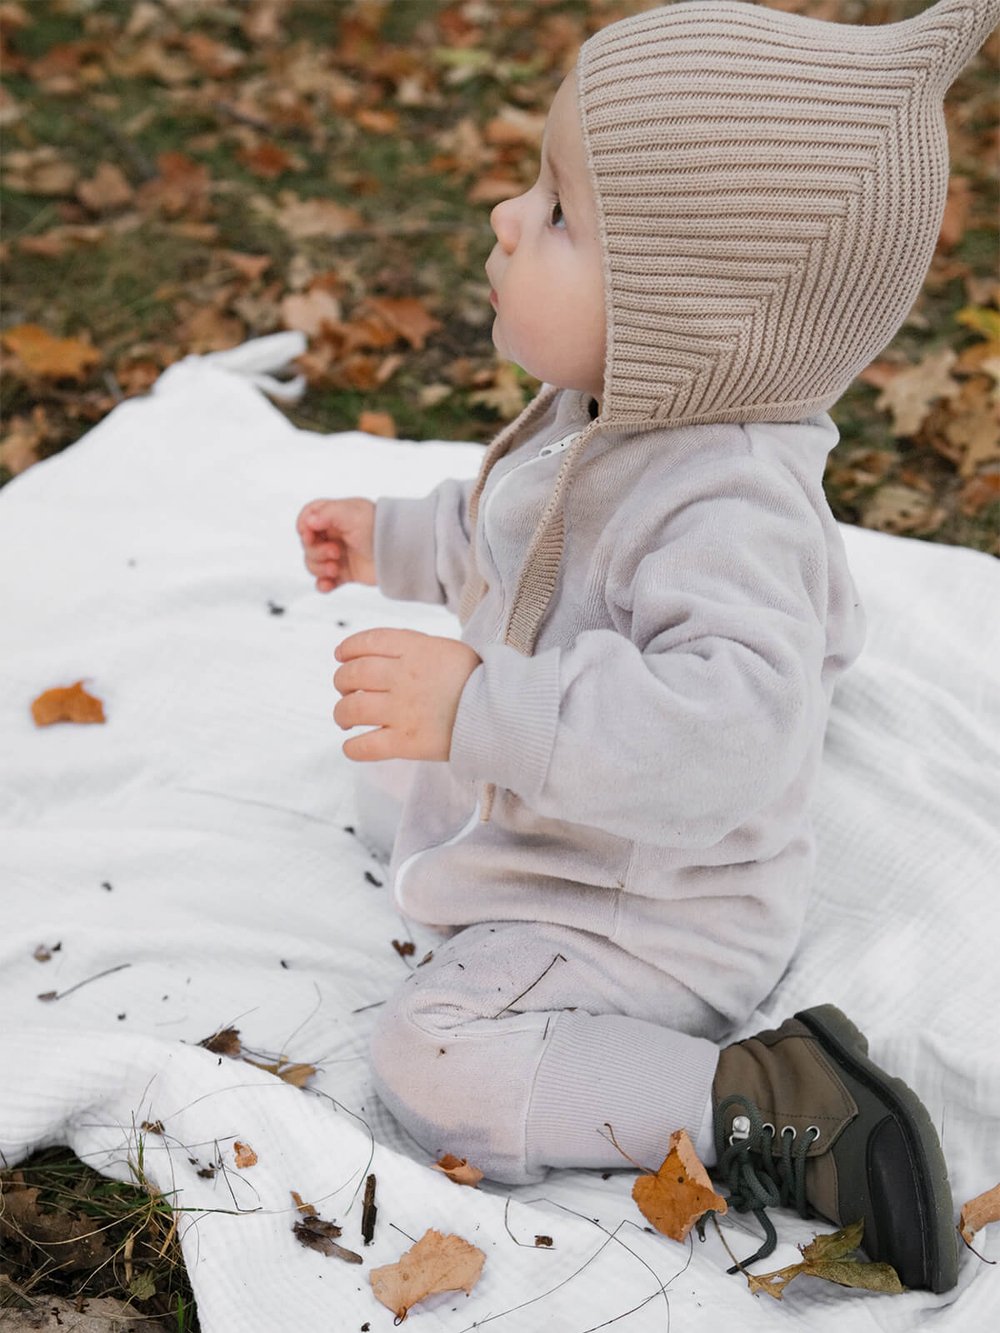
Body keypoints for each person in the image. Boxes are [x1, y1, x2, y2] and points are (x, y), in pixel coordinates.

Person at [296, 0, 998, 1293]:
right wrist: (394, 538)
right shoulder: (612, 412)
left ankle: (769, 1096)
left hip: (650, 904)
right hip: (573, 809)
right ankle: (473, 825)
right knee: (376, 779)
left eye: (559, 214)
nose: (508, 219)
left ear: (699, 315)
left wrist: (481, 712)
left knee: (431, 1058)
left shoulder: (726, 510)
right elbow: (512, 538)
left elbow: (718, 740)